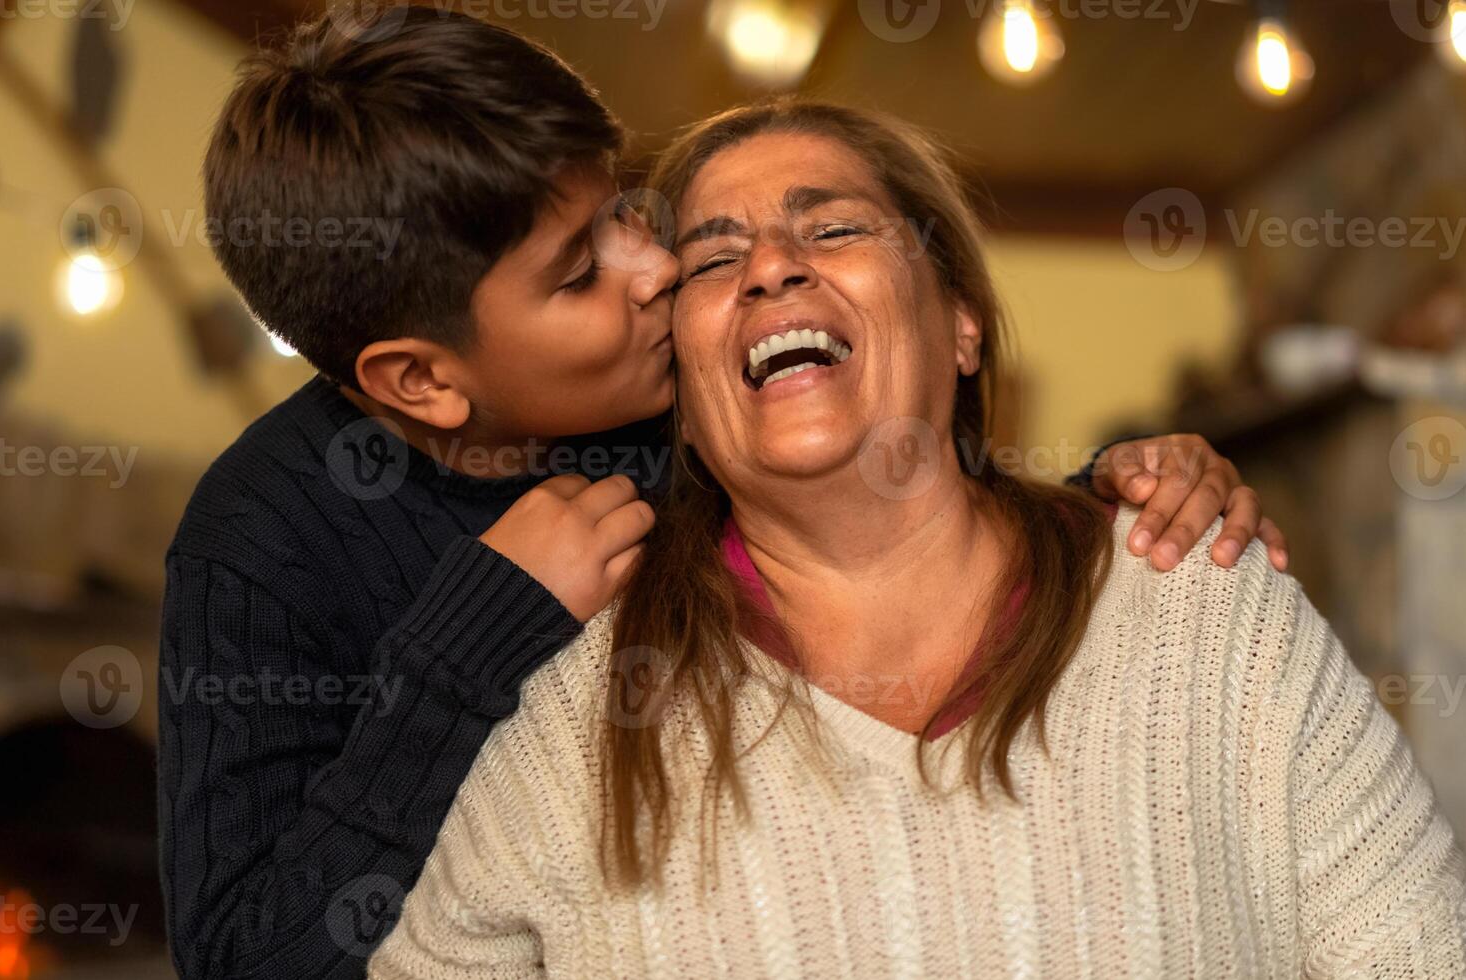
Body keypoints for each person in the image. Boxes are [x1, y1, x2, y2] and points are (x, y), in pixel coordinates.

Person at [163, 10, 1283, 978]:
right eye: (575, 273)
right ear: (420, 380)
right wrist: (467, 648)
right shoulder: (261, 540)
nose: (652, 270)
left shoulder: (682, 388)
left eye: (625, 210)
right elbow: (248, 955)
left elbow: (905, 514)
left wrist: (1110, 506)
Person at [369, 100, 1466, 978]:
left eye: (831, 226)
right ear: (686, 391)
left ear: (960, 321)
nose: (769, 267)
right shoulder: (580, 696)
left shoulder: (1201, 595)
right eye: (712, 260)